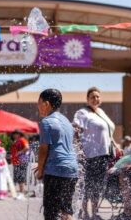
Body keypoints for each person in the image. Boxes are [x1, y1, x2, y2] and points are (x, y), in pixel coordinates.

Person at [73, 86, 121, 219]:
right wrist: (79, 150)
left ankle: (94, 213)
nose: (95, 99)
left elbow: (108, 134)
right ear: (87, 99)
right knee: (87, 186)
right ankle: (84, 213)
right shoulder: (83, 113)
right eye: (92, 97)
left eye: (98, 96)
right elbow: (75, 131)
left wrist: (116, 146)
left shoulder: (101, 112)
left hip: (104, 155)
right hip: (90, 156)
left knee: (97, 186)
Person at [36, 89, 78, 220]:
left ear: (46, 103)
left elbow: (44, 149)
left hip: (56, 170)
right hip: (71, 169)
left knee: (51, 213)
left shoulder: (46, 122)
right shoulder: (66, 121)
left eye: (39, 103)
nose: (38, 106)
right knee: (66, 211)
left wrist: (40, 170)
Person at [10, 129, 29, 200]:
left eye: (15, 134)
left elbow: (27, 148)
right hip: (17, 161)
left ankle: (22, 193)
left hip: (21, 161)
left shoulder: (22, 140)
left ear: (19, 134)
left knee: (21, 177)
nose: (14, 135)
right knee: (19, 177)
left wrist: (19, 152)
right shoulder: (17, 141)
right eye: (14, 134)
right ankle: (21, 193)